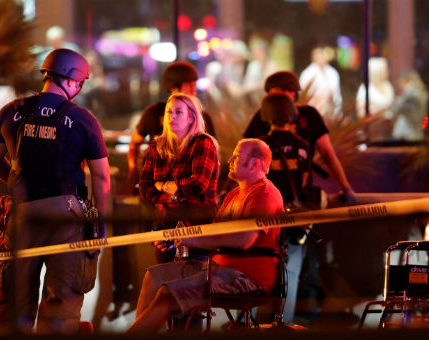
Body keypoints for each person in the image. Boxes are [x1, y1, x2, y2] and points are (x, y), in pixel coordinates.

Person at [0, 48, 110, 333]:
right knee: (61, 306)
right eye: (79, 84)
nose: (78, 89)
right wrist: (101, 222)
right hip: (67, 216)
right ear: (72, 81)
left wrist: (16, 186)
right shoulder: (82, 119)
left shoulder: (11, 112)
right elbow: (101, 177)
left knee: (15, 302)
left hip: (23, 213)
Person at [128, 139, 284, 333]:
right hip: (219, 268)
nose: (230, 160)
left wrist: (193, 241)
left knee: (168, 294)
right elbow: (213, 235)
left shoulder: (265, 194)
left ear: (254, 163)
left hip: (248, 278)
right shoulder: (233, 195)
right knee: (153, 276)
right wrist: (175, 240)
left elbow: (244, 240)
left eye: (237, 156)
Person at [243, 71, 355, 202]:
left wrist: (346, 187)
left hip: (298, 192)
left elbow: (327, 153)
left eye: (280, 93)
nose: (278, 98)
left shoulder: (309, 115)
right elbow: (243, 156)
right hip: (266, 194)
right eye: (274, 94)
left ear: (292, 92)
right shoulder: (261, 116)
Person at [139, 93, 219, 264]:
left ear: (191, 117)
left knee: (192, 286)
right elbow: (145, 189)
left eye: (178, 112)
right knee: (163, 284)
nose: (171, 116)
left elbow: (198, 184)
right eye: (169, 112)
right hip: (164, 229)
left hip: (198, 229)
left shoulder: (203, 143)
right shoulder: (156, 146)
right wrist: (177, 193)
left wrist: (162, 186)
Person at [257, 93, 316, 325]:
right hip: (291, 219)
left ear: (266, 115)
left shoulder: (259, 145)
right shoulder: (302, 146)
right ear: (290, 114)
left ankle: (248, 322)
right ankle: (284, 322)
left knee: (256, 269)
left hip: (262, 218)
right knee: (290, 273)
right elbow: (304, 182)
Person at [128, 62, 216, 192]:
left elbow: (213, 159)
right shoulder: (153, 113)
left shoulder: (203, 118)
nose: (194, 89)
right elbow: (135, 143)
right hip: (155, 187)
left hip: (188, 191)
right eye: (189, 85)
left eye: (194, 84)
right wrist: (133, 169)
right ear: (174, 88)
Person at [298, 47, 343, 120]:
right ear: (313, 58)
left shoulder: (332, 73)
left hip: (330, 110)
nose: (321, 58)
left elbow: (337, 93)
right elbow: (303, 94)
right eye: (318, 56)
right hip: (314, 110)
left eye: (322, 55)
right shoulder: (307, 74)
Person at [386, 70, 429, 141]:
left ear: (405, 81)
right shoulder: (420, 92)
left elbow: (402, 109)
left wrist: (394, 107)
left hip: (407, 132)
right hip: (416, 131)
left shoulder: (411, 94)